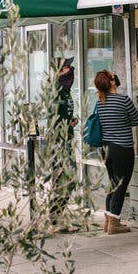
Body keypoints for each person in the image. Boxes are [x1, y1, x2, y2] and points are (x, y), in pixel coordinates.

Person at [94, 70, 138, 234]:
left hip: (106, 149)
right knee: (121, 185)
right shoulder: (123, 100)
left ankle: (108, 221)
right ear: (112, 83)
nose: (116, 78)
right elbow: (136, 120)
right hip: (123, 148)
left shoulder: (100, 102)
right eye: (114, 77)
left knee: (113, 183)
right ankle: (114, 223)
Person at [49, 57, 79, 228]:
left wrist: (71, 121)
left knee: (67, 179)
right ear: (59, 72)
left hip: (66, 140)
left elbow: (63, 115)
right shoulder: (55, 91)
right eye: (67, 68)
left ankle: (57, 217)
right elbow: (52, 118)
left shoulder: (65, 91)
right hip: (58, 143)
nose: (71, 70)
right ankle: (55, 218)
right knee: (64, 178)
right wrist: (65, 124)